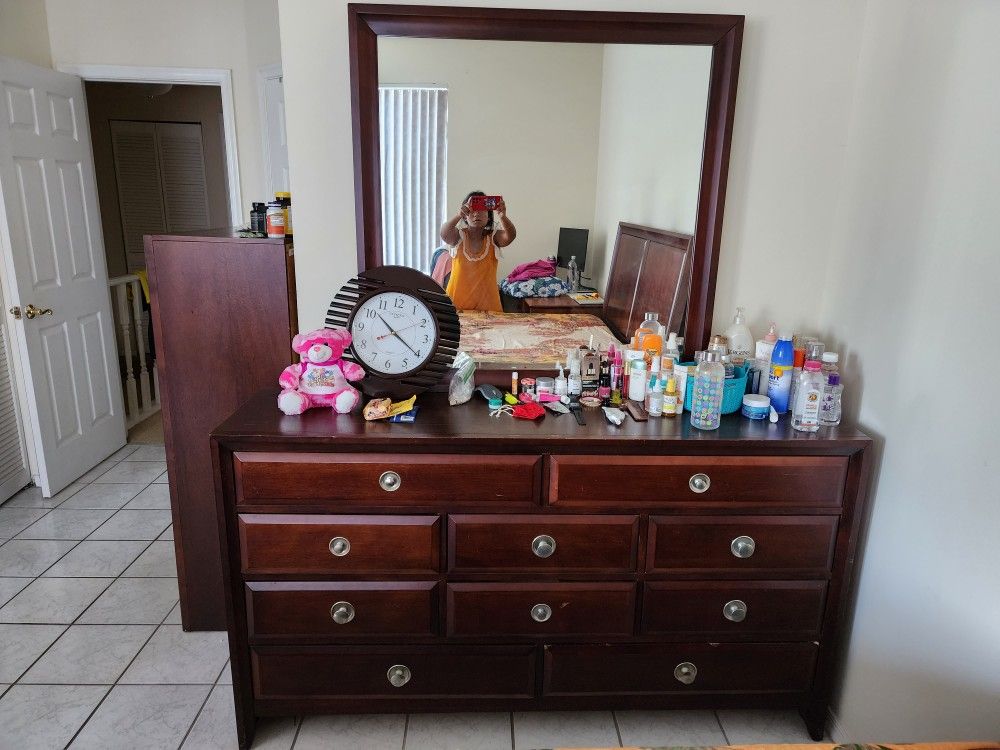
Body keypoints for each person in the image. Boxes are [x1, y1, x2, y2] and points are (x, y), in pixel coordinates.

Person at [440, 190, 517, 312]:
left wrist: (503, 217)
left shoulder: (494, 237)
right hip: (456, 308)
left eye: (481, 209)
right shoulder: (458, 237)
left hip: (489, 310)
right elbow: (444, 233)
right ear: (465, 215)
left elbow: (510, 236)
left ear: (488, 214)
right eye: (471, 210)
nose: (476, 214)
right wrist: (458, 214)